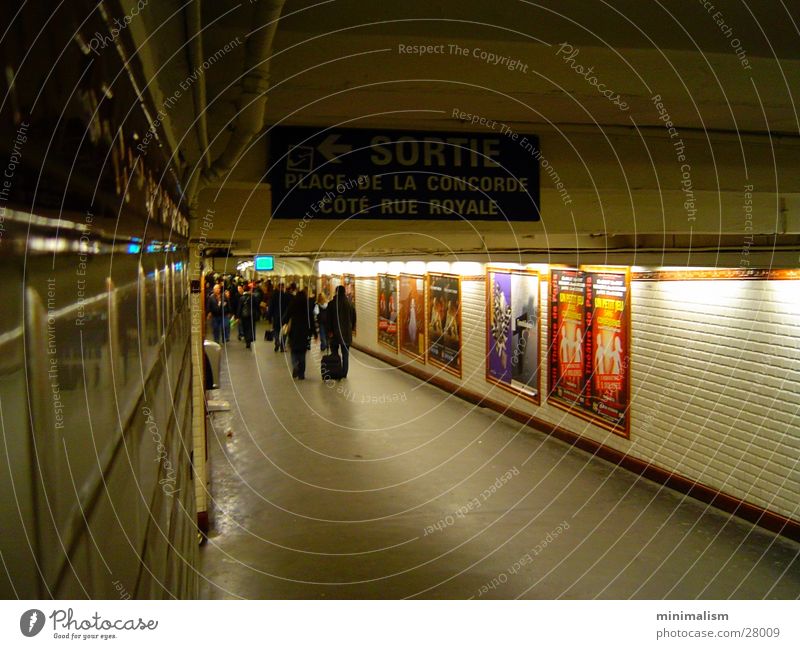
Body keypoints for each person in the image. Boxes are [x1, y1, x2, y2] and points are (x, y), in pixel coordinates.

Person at [326, 285, 356, 378]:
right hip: (346, 334)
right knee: (345, 355)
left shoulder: (331, 304)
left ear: (336, 292)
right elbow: (354, 318)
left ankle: (335, 370)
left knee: (334, 353)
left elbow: (328, 319)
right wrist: (351, 328)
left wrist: (329, 330)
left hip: (334, 333)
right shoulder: (350, 304)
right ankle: (344, 373)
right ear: (344, 293)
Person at [286, 289, 313, 379]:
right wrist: (314, 332)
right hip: (304, 332)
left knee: (294, 351)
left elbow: (287, 314)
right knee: (302, 353)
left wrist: (283, 322)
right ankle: (301, 374)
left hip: (294, 331)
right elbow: (311, 319)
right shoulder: (307, 305)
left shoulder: (293, 303)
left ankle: (295, 366)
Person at [269, 282, 290, 351]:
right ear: (283, 288)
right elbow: (288, 306)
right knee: (284, 331)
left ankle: (277, 341)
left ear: (278, 287)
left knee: (276, 330)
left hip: (276, 316)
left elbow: (271, 306)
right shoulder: (286, 296)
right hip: (284, 316)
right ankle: (282, 346)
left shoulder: (273, 295)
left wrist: (269, 315)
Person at [238, 284, 257, 349]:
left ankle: (247, 341)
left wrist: (238, 316)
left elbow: (240, 308)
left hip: (244, 315)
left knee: (245, 328)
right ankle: (251, 338)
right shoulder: (253, 297)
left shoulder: (241, 298)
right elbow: (256, 306)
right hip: (252, 315)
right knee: (251, 327)